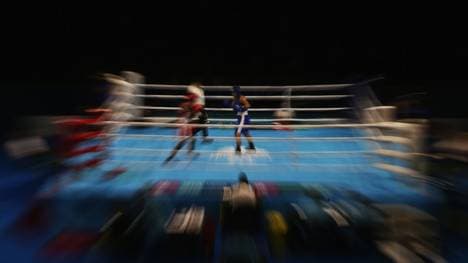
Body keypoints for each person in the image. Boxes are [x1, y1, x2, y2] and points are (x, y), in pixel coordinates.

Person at [232, 86, 256, 154]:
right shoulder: (235, 98)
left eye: (233, 92)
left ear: (236, 92)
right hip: (240, 117)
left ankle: (238, 149)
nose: (232, 93)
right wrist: (235, 108)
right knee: (245, 132)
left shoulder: (242, 98)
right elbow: (235, 107)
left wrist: (241, 109)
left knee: (237, 133)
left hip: (243, 117)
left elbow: (248, 105)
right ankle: (252, 147)